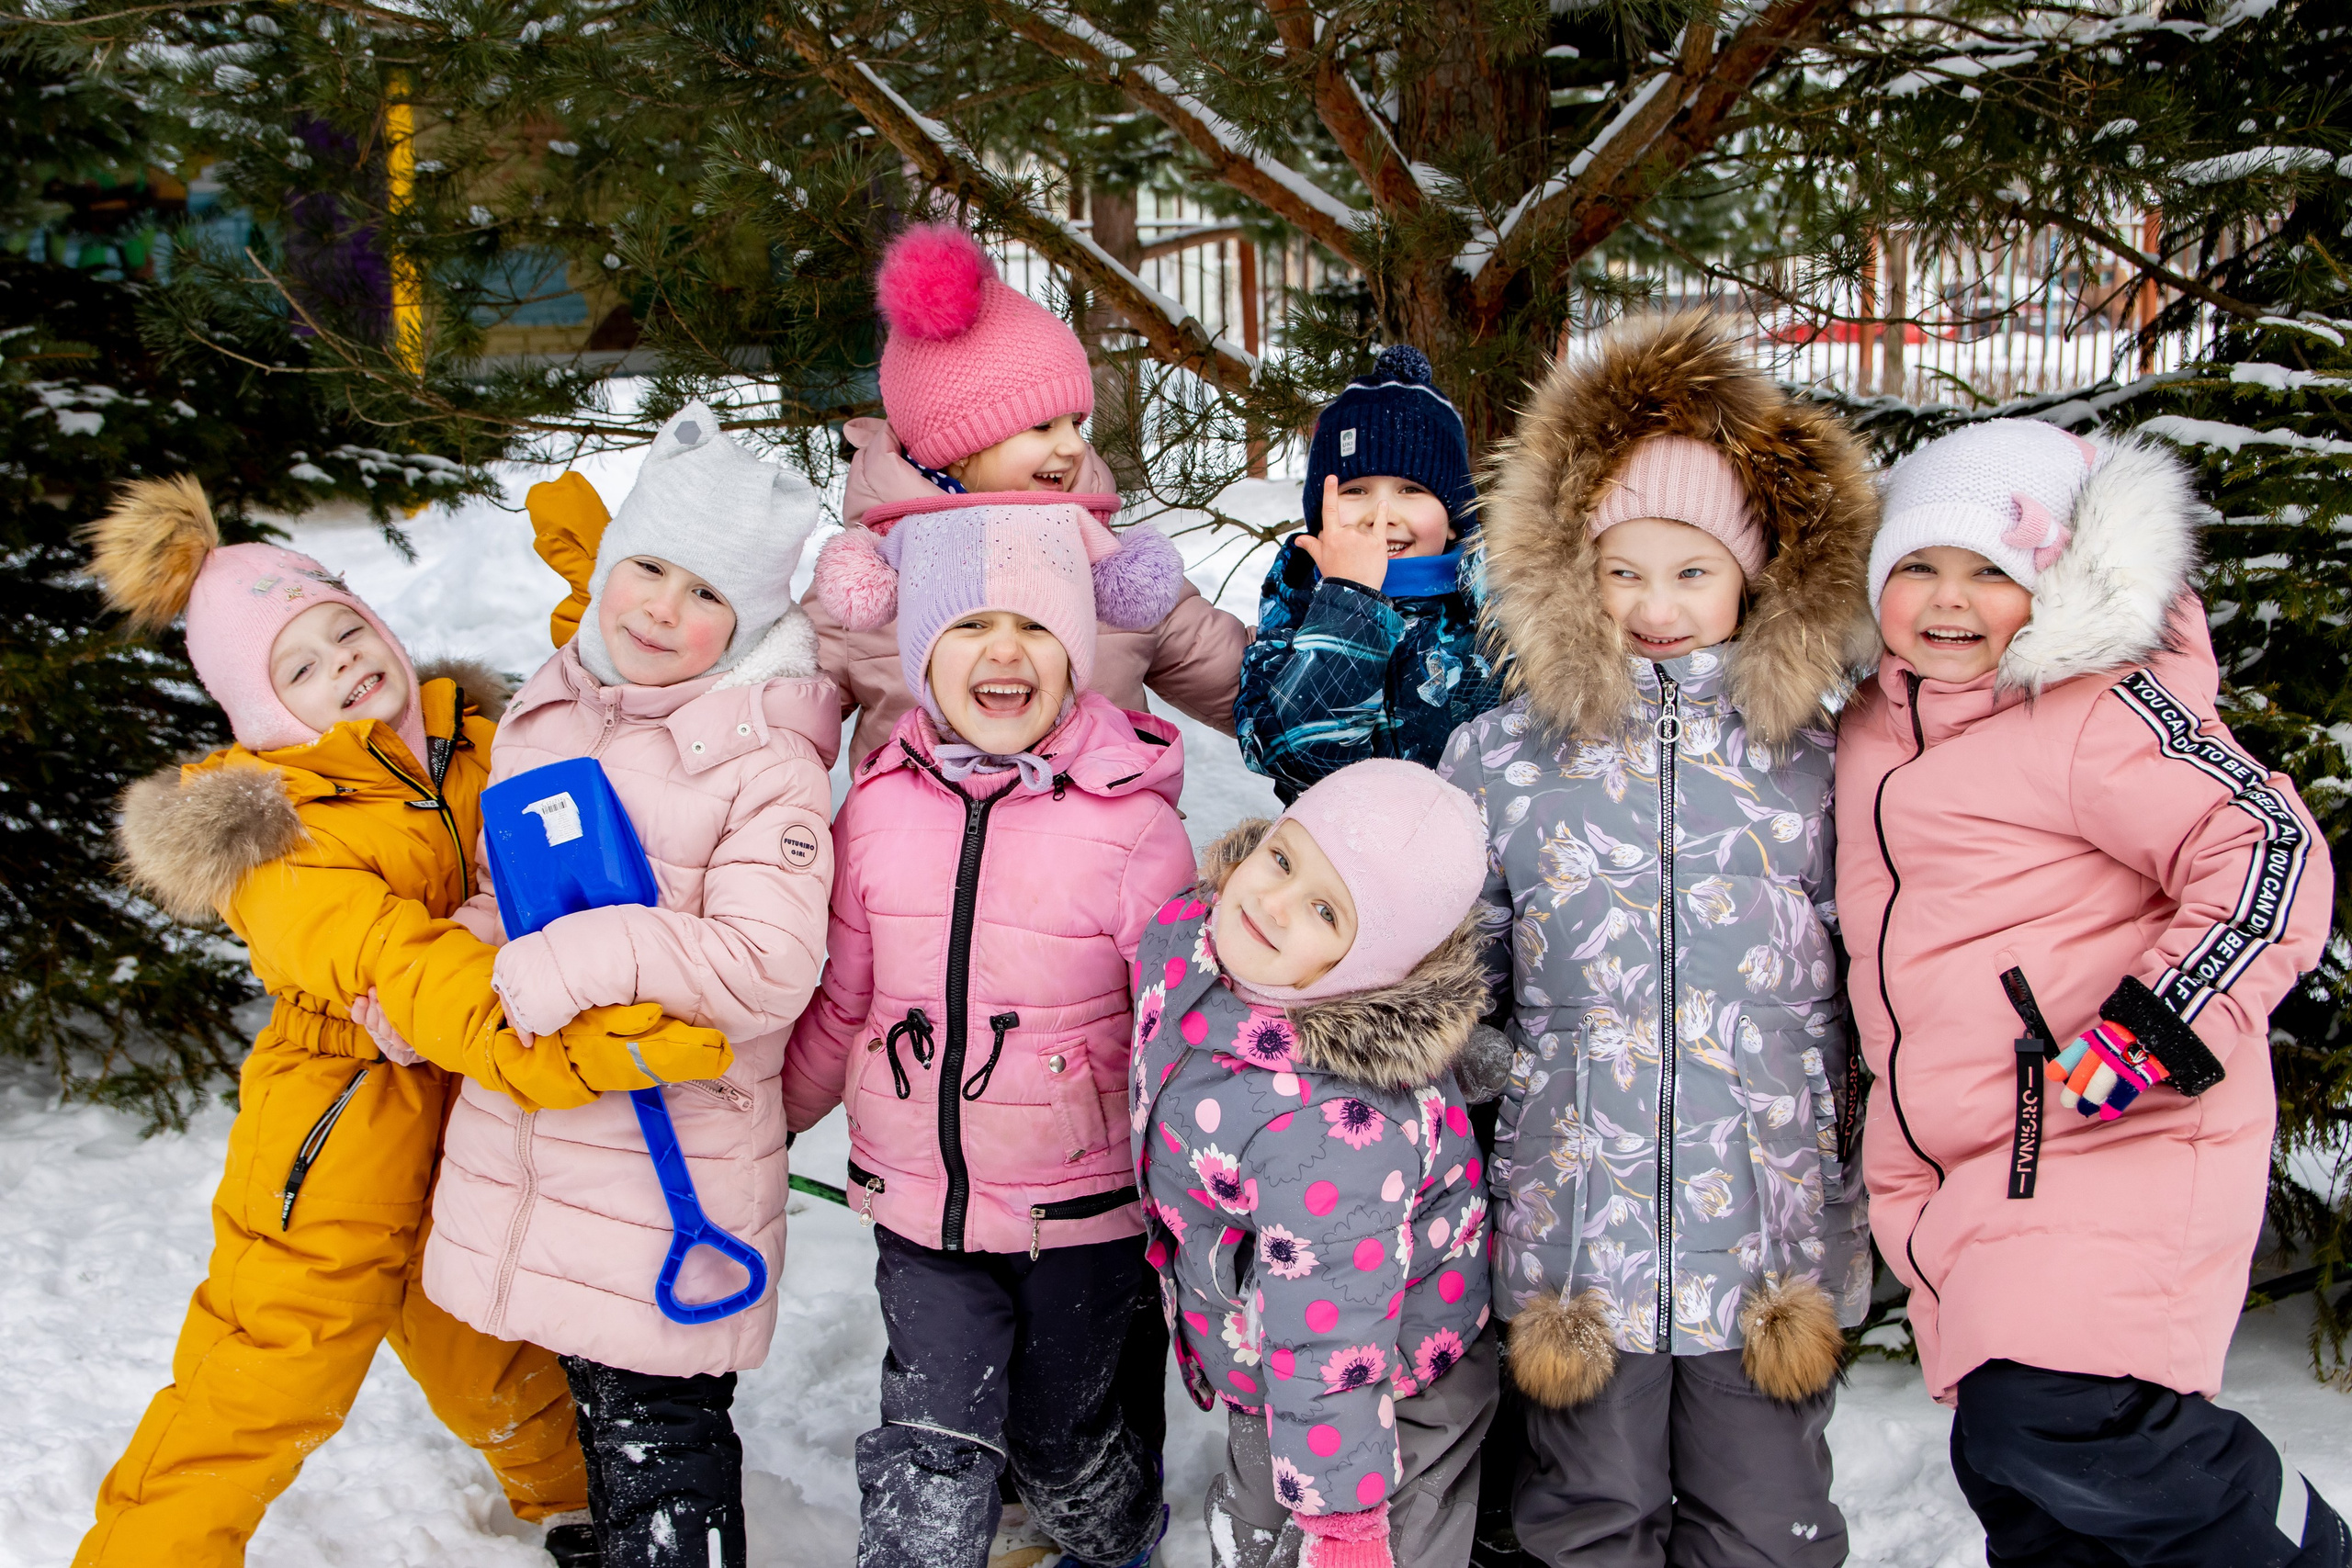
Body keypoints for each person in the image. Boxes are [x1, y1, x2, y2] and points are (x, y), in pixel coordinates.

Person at [78, 477, 729, 1568]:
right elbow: (400, 960)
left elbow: (582, 717)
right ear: (263, 709)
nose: (343, 664)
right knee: (264, 1373)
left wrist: (605, 591)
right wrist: (560, 1041)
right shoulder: (274, 835)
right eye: (302, 666)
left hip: (468, 1109)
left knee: (483, 1332)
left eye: (346, 630)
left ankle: (572, 1500)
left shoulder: (463, 743)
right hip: (341, 1132)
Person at [1837, 419, 2346, 1567]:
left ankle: (2307, 1547)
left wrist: (2150, 1034)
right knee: (2018, 1479)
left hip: (2115, 1123)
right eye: (1917, 566)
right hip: (1963, 1162)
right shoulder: (1874, 722)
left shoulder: (2099, 708)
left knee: (2066, 1414)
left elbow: (2266, 851)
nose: (1948, 601)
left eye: (1993, 572)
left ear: (2062, 582)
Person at [1437, 310, 1880, 1566]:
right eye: (1623, 570)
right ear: (1574, 572)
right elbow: (1459, 974)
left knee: (1769, 1524)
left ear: (1756, 572)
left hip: (1769, 1224)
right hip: (1577, 1223)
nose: (1656, 604)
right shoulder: (1504, 757)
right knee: (1591, 1516)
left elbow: (1879, 964)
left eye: (1692, 570)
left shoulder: (1820, 758)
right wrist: (1513, 1080)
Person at [403, 404, 839, 1568]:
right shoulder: (550, 712)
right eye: (648, 567)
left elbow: (766, 963)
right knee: (599, 1396)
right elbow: (513, 895)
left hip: (669, 1163)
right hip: (556, 1136)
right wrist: (435, 983)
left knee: (661, 1423)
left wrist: (571, 964)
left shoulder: (766, 762)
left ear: (749, 626)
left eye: (708, 596)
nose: (661, 608)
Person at [786, 494, 1196, 1568]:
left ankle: (1117, 1537)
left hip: (1083, 1213)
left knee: (1060, 1446)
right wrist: (772, 1117)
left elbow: (1176, 1033)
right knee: (929, 1444)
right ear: (922, 651)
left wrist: (1205, 1179)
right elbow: (846, 997)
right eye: (967, 625)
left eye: (1033, 628)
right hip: (921, 1205)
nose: (1001, 652)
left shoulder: (1136, 825)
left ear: (1075, 654)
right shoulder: (873, 809)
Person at [529, 220, 1249, 772]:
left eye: (1073, 422)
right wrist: (625, 663)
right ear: (952, 439)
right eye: (1039, 424)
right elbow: (765, 709)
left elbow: (1242, 686)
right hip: (914, 895)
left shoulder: (1112, 564)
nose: (1069, 445)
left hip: (1100, 884)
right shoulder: (870, 576)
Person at [1133, 758, 1500, 1568]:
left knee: (1383, 1551)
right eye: (1283, 858)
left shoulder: (1338, 1130)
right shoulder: (1190, 945)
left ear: (1371, 969)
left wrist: (1347, 1526)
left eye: (1325, 909)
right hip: (1276, 1347)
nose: (1273, 902)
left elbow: (1336, 1333)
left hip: (1394, 1385)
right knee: (1262, 1521)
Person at [1236, 346, 1506, 801]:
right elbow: (1293, 755)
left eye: (1411, 490)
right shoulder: (1297, 602)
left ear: (1455, 514)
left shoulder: (1500, 608)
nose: (1381, 515)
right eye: (1355, 490)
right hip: (1340, 859)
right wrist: (1350, 600)